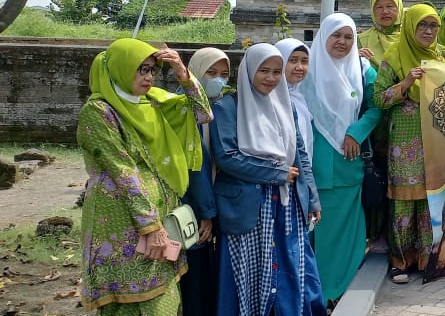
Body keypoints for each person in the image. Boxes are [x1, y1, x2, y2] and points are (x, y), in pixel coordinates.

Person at [78, 39, 211, 314]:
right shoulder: (99, 112)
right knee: (131, 302)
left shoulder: (153, 103)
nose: (149, 76)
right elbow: (122, 169)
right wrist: (150, 228)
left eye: (152, 70)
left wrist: (182, 73)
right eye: (141, 70)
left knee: (164, 297)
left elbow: (202, 113)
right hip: (122, 221)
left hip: (160, 215)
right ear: (121, 69)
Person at [210, 44, 325, 316]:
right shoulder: (227, 107)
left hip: (286, 205)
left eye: (276, 71)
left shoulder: (285, 106)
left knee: (291, 264)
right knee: (248, 271)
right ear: (249, 71)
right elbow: (226, 157)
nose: (271, 78)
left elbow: (300, 155)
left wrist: (311, 198)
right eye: (263, 70)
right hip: (248, 206)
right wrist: (276, 173)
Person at [301, 13, 383, 303]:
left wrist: (356, 132)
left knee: (342, 232)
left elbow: (375, 107)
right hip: (312, 164)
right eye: (336, 35)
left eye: (349, 37)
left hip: (348, 163)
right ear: (324, 35)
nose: (342, 42)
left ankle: (334, 292)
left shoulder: (363, 70)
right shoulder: (306, 68)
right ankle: (310, 293)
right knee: (312, 233)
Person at [373, 4, 445, 284]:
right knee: (405, 201)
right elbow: (379, 99)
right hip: (404, 142)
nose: (428, 32)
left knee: (430, 200)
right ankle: (400, 261)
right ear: (410, 27)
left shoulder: (441, 55)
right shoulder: (394, 57)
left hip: (433, 138)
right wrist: (406, 83)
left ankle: (427, 258)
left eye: (433, 26)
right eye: (422, 26)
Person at [179, 47, 233, 315]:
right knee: (195, 272)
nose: (218, 80)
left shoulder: (222, 106)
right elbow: (195, 168)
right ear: (195, 72)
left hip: (211, 200)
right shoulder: (182, 107)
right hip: (191, 204)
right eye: (211, 72)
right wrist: (206, 213)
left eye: (224, 74)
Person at [359, 0, 404, 66]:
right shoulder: (361, 41)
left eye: (390, 6)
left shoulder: (411, 38)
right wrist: (354, 58)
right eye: (379, 7)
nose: (385, 11)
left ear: (399, 8)